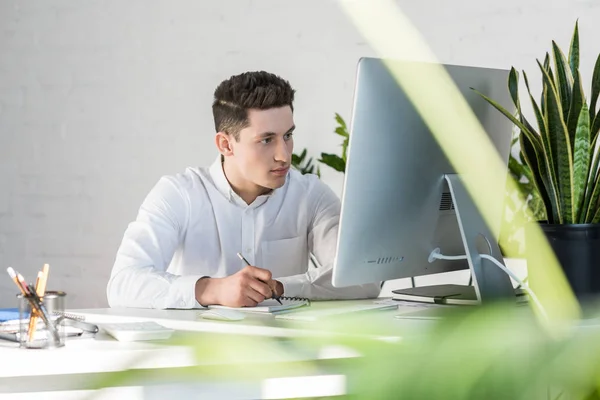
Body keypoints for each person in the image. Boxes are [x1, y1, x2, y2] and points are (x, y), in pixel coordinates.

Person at [106, 71, 381, 309]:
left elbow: (363, 279)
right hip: (197, 355)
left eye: (287, 136)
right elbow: (122, 284)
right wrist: (213, 290)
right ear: (226, 145)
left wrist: (279, 287)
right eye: (266, 140)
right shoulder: (179, 194)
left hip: (288, 355)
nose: (284, 155)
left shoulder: (310, 195)